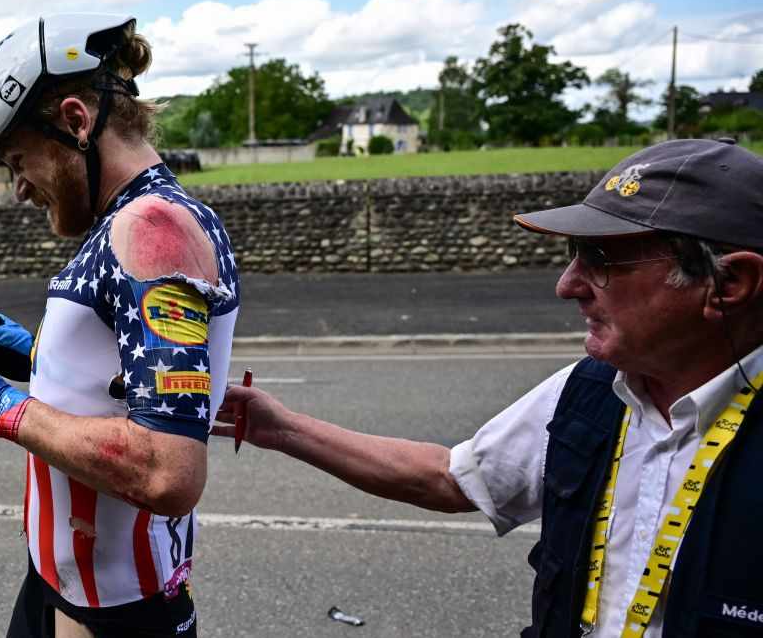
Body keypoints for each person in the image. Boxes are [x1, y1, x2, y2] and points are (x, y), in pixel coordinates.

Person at [215, 139, 763, 637]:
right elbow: (449, 480)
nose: (567, 285)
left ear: (728, 284)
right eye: (572, 252)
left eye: (601, 258)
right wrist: (281, 428)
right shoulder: (591, 392)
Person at [0, 14, 240, 638]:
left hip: (113, 615)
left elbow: (168, 472)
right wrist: (33, 358)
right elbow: (131, 384)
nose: (18, 190)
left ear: (75, 121)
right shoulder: (133, 222)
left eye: (17, 161)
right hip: (61, 590)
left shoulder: (152, 230)